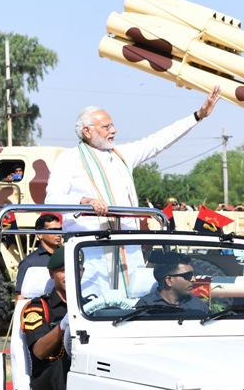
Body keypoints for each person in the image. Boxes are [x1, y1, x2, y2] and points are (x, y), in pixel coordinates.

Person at [45, 86, 221, 231]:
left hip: (127, 244)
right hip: (89, 247)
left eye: (112, 126)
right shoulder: (69, 158)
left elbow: (158, 141)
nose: (113, 131)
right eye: (106, 127)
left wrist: (198, 116)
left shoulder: (121, 155)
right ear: (87, 131)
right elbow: (51, 200)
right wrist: (84, 202)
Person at [23, 247, 70, 390]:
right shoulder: (37, 307)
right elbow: (39, 351)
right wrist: (62, 326)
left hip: (80, 372)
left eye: (75, 269)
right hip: (45, 381)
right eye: (64, 270)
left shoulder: (90, 306)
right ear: (52, 274)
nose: (70, 274)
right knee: (63, 366)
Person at [136, 253, 209, 313]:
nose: (194, 279)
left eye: (193, 275)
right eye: (188, 275)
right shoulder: (146, 306)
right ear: (169, 280)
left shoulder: (197, 304)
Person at [15, 213, 63, 300]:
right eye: (53, 230)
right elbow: (20, 297)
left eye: (60, 229)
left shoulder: (67, 256)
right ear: (40, 234)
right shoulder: (29, 263)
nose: (58, 233)